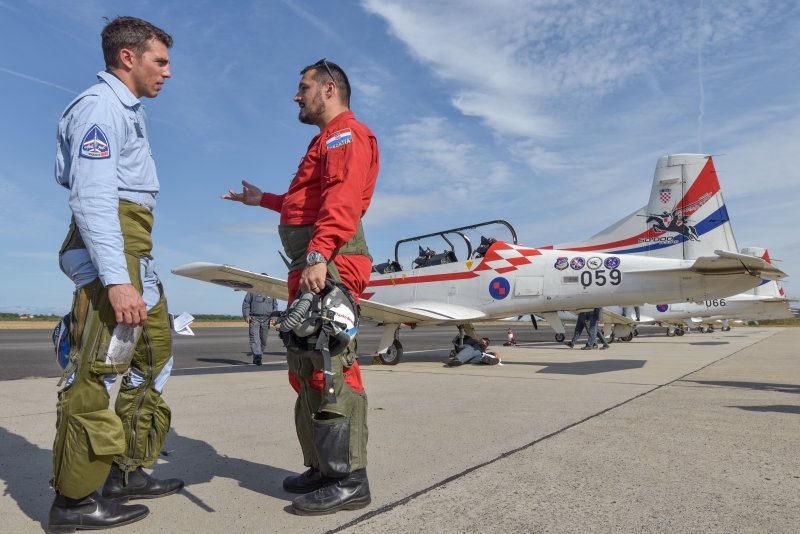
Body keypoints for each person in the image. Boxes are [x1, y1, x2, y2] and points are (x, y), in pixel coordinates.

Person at [222, 59, 378, 515]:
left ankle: (350, 478)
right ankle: (322, 465)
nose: (297, 95)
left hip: (329, 261)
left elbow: (343, 197)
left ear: (329, 89)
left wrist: (319, 252)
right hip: (311, 262)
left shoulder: (347, 134)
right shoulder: (326, 139)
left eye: (303, 87)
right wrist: (263, 200)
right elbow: (305, 202)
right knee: (306, 368)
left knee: (332, 366)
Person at [48, 16, 183, 532]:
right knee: (98, 369)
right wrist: (116, 280)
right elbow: (93, 198)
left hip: (134, 245)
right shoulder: (102, 107)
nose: (167, 72)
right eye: (161, 61)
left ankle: (123, 471)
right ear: (128, 57)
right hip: (115, 248)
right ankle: (75, 501)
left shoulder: (128, 110)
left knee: (151, 354)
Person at [242, 288, 278, 365]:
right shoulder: (252, 291)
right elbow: (246, 303)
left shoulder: (272, 293)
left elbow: (275, 306)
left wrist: (274, 318)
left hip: (266, 320)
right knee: (254, 338)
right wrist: (246, 315)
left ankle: (258, 355)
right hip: (254, 319)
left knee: (263, 341)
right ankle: (257, 356)